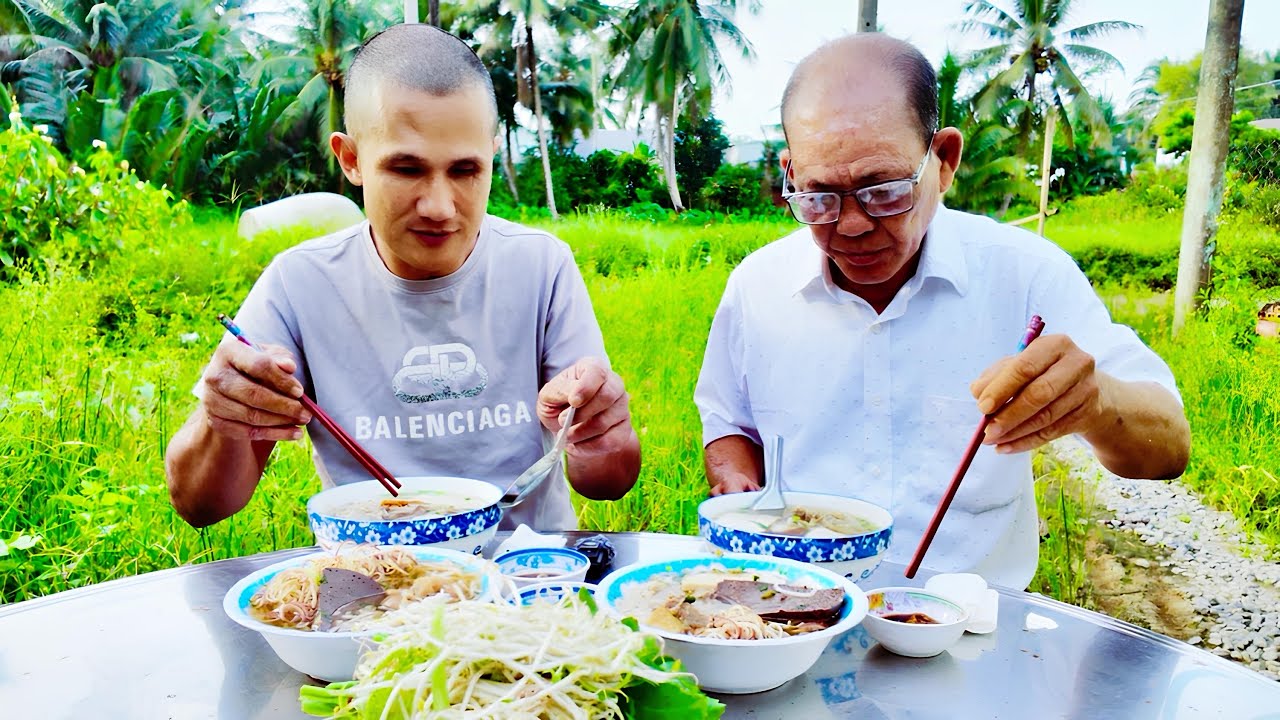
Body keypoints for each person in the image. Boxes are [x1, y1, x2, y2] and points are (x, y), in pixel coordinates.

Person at [694, 33, 1190, 590]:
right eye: (819, 196)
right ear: (791, 172)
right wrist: (739, 492)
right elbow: (729, 424)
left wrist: (1095, 403)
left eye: (882, 189)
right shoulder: (757, 287)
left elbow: (1169, 446)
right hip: (797, 612)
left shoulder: (1023, 273)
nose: (852, 224)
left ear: (944, 160)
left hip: (967, 624)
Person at [165, 24, 640, 531]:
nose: (439, 207)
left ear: (492, 155)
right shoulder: (299, 283)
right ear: (351, 159)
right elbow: (202, 505)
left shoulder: (541, 265)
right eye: (407, 169)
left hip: (529, 574)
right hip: (378, 578)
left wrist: (601, 433)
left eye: (464, 171)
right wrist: (222, 417)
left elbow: (608, 483)